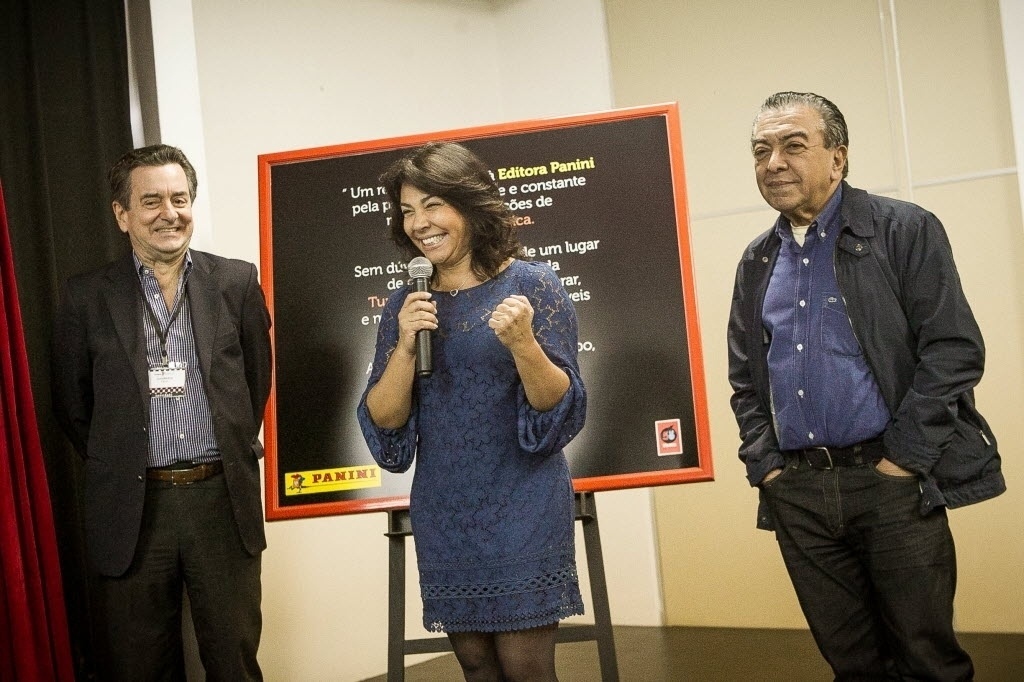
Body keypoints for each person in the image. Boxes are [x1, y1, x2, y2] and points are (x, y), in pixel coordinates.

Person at [728, 91, 1006, 680]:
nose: (773, 162)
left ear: (838, 158)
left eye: (793, 145)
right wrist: (768, 469)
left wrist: (904, 460)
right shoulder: (757, 260)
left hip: (890, 484)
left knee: (928, 661)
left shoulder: (903, 230)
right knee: (852, 664)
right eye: (761, 150)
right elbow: (746, 380)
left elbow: (953, 349)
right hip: (798, 491)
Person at [358, 141, 586, 681]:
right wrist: (406, 348)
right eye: (408, 211)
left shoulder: (533, 285)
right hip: (446, 506)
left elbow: (559, 409)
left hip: (523, 499)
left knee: (525, 667)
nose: (419, 223)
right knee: (477, 666)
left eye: (433, 205)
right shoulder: (406, 303)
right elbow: (384, 419)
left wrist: (525, 344)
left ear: (470, 205)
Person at [51, 144, 272, 680]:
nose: (169, 213)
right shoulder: (86, 297)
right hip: (133, 506)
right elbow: (73, 405)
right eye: (151, 201)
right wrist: (122, 456)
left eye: (180, 198)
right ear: (122, 214)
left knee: (233, 657)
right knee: (140, 665)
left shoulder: (236, 282)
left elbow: (254, 384)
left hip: (220, 500)